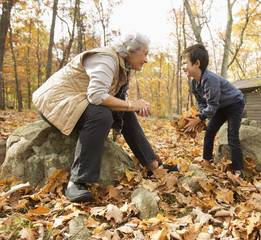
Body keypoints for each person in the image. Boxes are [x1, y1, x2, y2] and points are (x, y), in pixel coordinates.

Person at [33, 32, 177, 202]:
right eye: (145, 53)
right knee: (101, 115)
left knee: (124, 112)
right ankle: (76, 182)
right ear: (131, 51)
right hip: (53, 102)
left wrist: (130, 107)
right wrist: (131, 105)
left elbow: (116, 102)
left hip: (77, 101)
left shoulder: (124, 66)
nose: (146, 59)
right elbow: (96, 96)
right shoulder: (106, 59)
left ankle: (154, 167)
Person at [181, 44, 246, 179]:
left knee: (232, 137)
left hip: (234, 104)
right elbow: (202, 103)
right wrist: (199, 115)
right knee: (209, 132)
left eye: (185, 63)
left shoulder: (210, 79)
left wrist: (198, 119)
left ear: (197, 63)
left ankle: (238, 172)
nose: (182, 66)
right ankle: (206, 162)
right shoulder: (194, 83)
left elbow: (212, 104)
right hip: (219, 107)